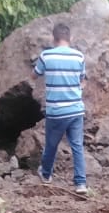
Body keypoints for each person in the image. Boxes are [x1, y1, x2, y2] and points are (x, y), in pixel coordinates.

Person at [32, 22, 88, 194]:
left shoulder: (46, 56)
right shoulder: (79, 57)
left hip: (56, 111)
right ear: (69, 38)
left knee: (51, 145)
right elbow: (83, 80)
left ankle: (46, 175)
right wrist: (78, 88)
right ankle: (80, 184)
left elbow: (34, 75)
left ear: (54, 38)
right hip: (76, 109)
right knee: (77, 145)